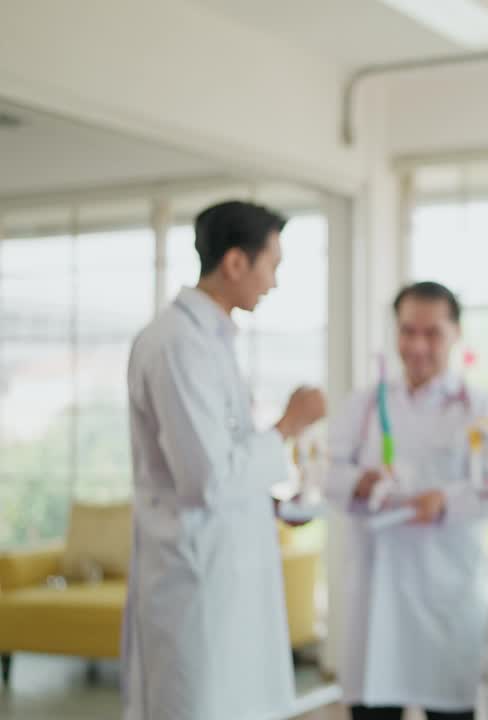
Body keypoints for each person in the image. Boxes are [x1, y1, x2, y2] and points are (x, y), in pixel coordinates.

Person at [123, 200, 327, 720]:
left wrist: (269, 503)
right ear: (236, 263)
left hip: (225, 573)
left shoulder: (210, 340)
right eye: (272, 266)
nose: (274, 283)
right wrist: (287, 426)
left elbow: (221, 458)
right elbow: (208, 479)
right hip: (196, 580)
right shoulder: (177, 344)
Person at [328, 281, 488, 720]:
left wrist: (445, 501)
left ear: (455, 334)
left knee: (448, 709)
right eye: (408, 331)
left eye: (432, 333)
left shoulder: (480, 406)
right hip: (377, 596)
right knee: (374, 707)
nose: (417, 345)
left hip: (443, 596)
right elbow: (327, 471)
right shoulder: (366, 405)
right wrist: (359, 480)